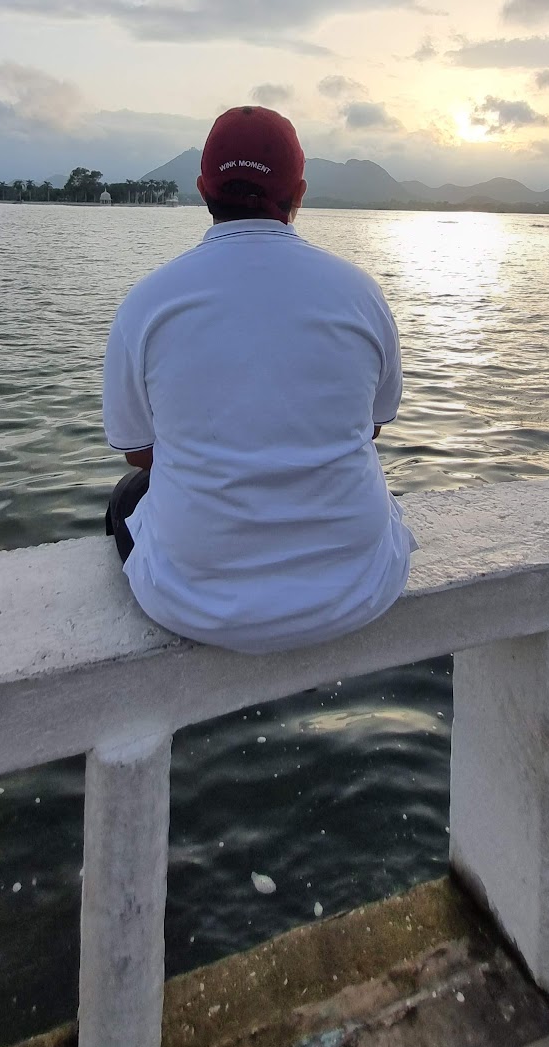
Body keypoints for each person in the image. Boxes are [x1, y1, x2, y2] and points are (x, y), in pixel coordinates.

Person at [101, 104, 415, 654]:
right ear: (300, 193)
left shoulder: (148, 303)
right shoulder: (360, 294)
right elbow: (370, 429)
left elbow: (137, 453)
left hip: (191, 602)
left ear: (202, 189)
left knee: (129, 497)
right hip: (359, 588)